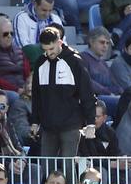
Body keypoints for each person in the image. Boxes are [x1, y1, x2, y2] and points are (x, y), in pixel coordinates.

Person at [30, 26, 96, 163]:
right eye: (45, 50)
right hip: (48, 126)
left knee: (68, 167)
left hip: (71, 125)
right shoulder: (40, 63)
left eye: (51, 49)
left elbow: (87, 93)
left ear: (59, 42)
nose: (49, 53)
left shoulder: (74, 61)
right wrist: (35, 121)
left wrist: (90, 123)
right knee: (46, 167)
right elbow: (36, 96)